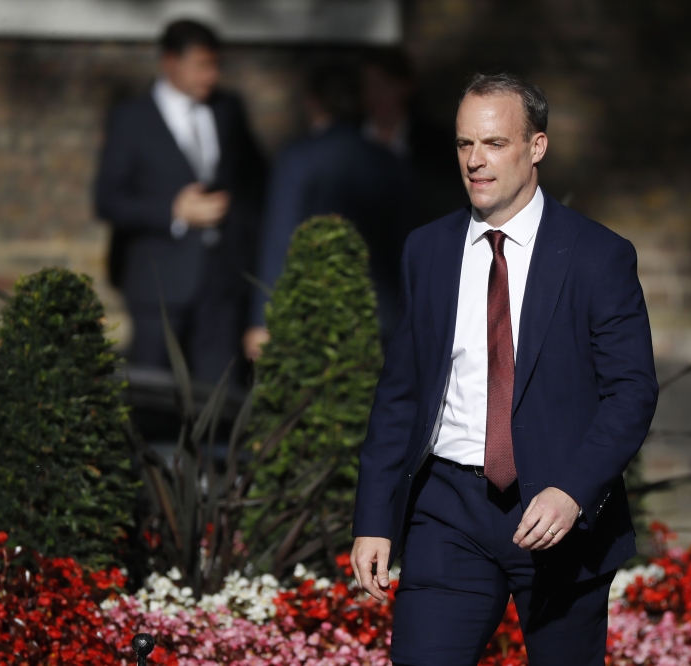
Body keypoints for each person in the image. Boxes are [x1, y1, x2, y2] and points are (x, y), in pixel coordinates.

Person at [351, 73, 658, 666]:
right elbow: (401, 395)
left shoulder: (598, 256)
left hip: (557, 516)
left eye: (494, 144)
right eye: (465, 144)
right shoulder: (428, 249)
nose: (475, 161)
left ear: (536, 147)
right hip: (448, 509)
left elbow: (631, 393)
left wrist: (573, 491)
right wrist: (374, 518)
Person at [95, 19, 266, 384]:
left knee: (219, 399)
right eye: (202, 65)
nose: (212, 75)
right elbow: (107, 200)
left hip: (222, 283)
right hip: (158, 284)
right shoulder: (131, 118)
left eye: (216, 65)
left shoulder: (228, 108)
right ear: (171, 62)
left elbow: (255, 182)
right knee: (153, 396)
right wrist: (174, 211)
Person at [243, 63, 410, 360]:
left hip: (316, 319)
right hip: (381, 315)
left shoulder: (298, 159)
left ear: (312, 101)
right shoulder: (388, 160)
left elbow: (280, 239)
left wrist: (262, 319)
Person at [360, 48, 466, 229]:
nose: (376, 94)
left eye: (385, 85)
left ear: (405, 86)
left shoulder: (434, 141)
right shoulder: (351, 138)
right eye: (368, 85)